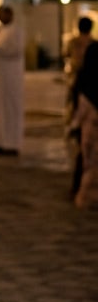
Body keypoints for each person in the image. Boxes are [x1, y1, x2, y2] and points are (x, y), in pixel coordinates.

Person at [0, 4, 25, 155]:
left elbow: (15, 50)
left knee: (11, 108)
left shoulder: (16, 31)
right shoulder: (0, 31)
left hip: (11, 77)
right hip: (0, 76)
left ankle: (11, 143)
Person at [71, 40, 98, 209]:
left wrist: (73, 124)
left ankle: (81, 193)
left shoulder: (83, 76)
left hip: (88, 125)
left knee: (87, 160)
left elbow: (78, 102)